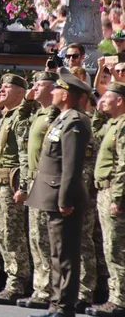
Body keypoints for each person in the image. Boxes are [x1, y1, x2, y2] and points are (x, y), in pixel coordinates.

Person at [27, 67, 92, 317]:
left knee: (65, 254)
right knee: (56, 252)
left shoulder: (74, 121)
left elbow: (72, 165)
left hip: (62, 197)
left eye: (57, 88)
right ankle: (56, 303)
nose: (53, 92)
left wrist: (65, 198)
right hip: (52, 194)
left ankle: (64, 306)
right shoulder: (62, 118)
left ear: (66, 95)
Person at [0, 74, 33, 305]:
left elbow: (25, 156)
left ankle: (18, 282)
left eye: (8, 88)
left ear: (20, 93)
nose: (1, 90)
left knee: (12, 235)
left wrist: (23, 186)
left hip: (11, 183)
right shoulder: (5, 116)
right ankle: (10, 280)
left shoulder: (21, 119)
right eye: (1, 87)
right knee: (2, 235)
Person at [17, 72, 60, 311]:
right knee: (35, 238)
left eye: (40, 84)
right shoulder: (38, 113)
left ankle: (47, 290)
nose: (34, 87)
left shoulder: (54, 115)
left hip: (46, 180)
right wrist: (28, 100)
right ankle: (40, 287)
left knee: (44, 240)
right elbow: (21, 123)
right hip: (33, 179)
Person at [84, 82, 125, 316]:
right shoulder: (111, 124)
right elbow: (95, 132)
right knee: (108, 247)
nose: (102, 101)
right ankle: (114, 296)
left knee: (116, 248)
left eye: (107, 97)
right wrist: (99, 111)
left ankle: (119, 299)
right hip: (103, 191)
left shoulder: (123, 126)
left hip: (114, 191)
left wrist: (118, 197)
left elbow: (123, 164)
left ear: (119, 100)